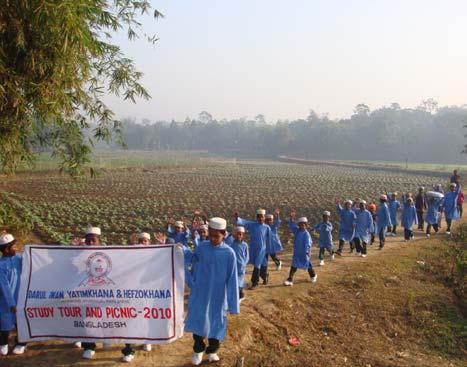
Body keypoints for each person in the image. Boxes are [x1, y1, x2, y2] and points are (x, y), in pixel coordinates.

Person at [185, 217, 239, 366]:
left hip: (218, 295)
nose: (213, 239)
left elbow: (232, 280)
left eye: (217, 236)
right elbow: (192, 258)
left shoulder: (229, 254)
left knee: (216, 323)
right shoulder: (202, 247)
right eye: (211, 235)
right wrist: (181, 250)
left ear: (224, 235)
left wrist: (233, 305)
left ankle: (212, 351)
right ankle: (198, 350)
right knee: (199, 321)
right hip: (201, 292)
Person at [122, 232, 153, 363]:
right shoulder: (131, 254)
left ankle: (147, 339)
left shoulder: (155, 255)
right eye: (141, 240)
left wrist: (164, 246)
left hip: (148, 292)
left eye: (145, 241)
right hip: (131, 292)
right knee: (129, 318)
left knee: (146, 317)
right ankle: (129, 350)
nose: (143, 243)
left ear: (149, 243)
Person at [0, 233, 26, 356]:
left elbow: (32, 258)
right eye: (14, 246)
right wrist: (11, 303)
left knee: (20, 322)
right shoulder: (1, 266)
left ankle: (21, 343)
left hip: (21, 296)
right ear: (6, 249)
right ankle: (4, 343)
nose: (16, 248)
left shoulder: (19, 258)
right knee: (5, 322)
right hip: (6, 300)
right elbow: (4, 286)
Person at [80, 226, 103, 359]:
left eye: (93, 240)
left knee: (103, 317)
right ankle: (89, 345)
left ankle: (106, 339)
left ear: (99, 240)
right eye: (88, 240)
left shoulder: (109, 253)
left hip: (102, 293)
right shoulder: (80, 253)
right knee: (86, 318)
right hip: (84, 293)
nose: (90, 243)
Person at [235, 209, 272, 289]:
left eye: (262, 217)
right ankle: (265, 276)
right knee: (258, 264)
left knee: (257, 265)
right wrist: (238, 218)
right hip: (253, 248)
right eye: (258, 217)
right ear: (256, 217)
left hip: (262, 249)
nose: (260, 219)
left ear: (264, 217)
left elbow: (269, 239)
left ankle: (255, 282)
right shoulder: (252, 225)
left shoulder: (267, 228)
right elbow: (244, 222)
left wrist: (269, 250)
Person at [283, 212, 317, 286]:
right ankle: (290, 279)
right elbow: (292, 225)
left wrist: (307, 252)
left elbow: (308, 244)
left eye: (303, 225)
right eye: (300, 225)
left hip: (304, 252)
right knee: (294, 265)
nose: (302, 226)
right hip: (297, 252)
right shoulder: (297, 231)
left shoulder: (306, 234)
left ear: (306, 225)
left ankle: (313, 275)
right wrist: (291, 218)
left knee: (308, 264)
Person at [226, 227, 249, 301]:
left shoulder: (245, 245)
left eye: (240, 234)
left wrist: (244, 263)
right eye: (237, 234)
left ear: (243, 235)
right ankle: (238, 295)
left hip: (241, 267)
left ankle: (240, 296)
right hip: (233, 266)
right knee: (233, 281)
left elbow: (247, 256)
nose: (239, 236)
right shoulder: (231, 244)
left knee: (240, 282)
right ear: (234, 235)